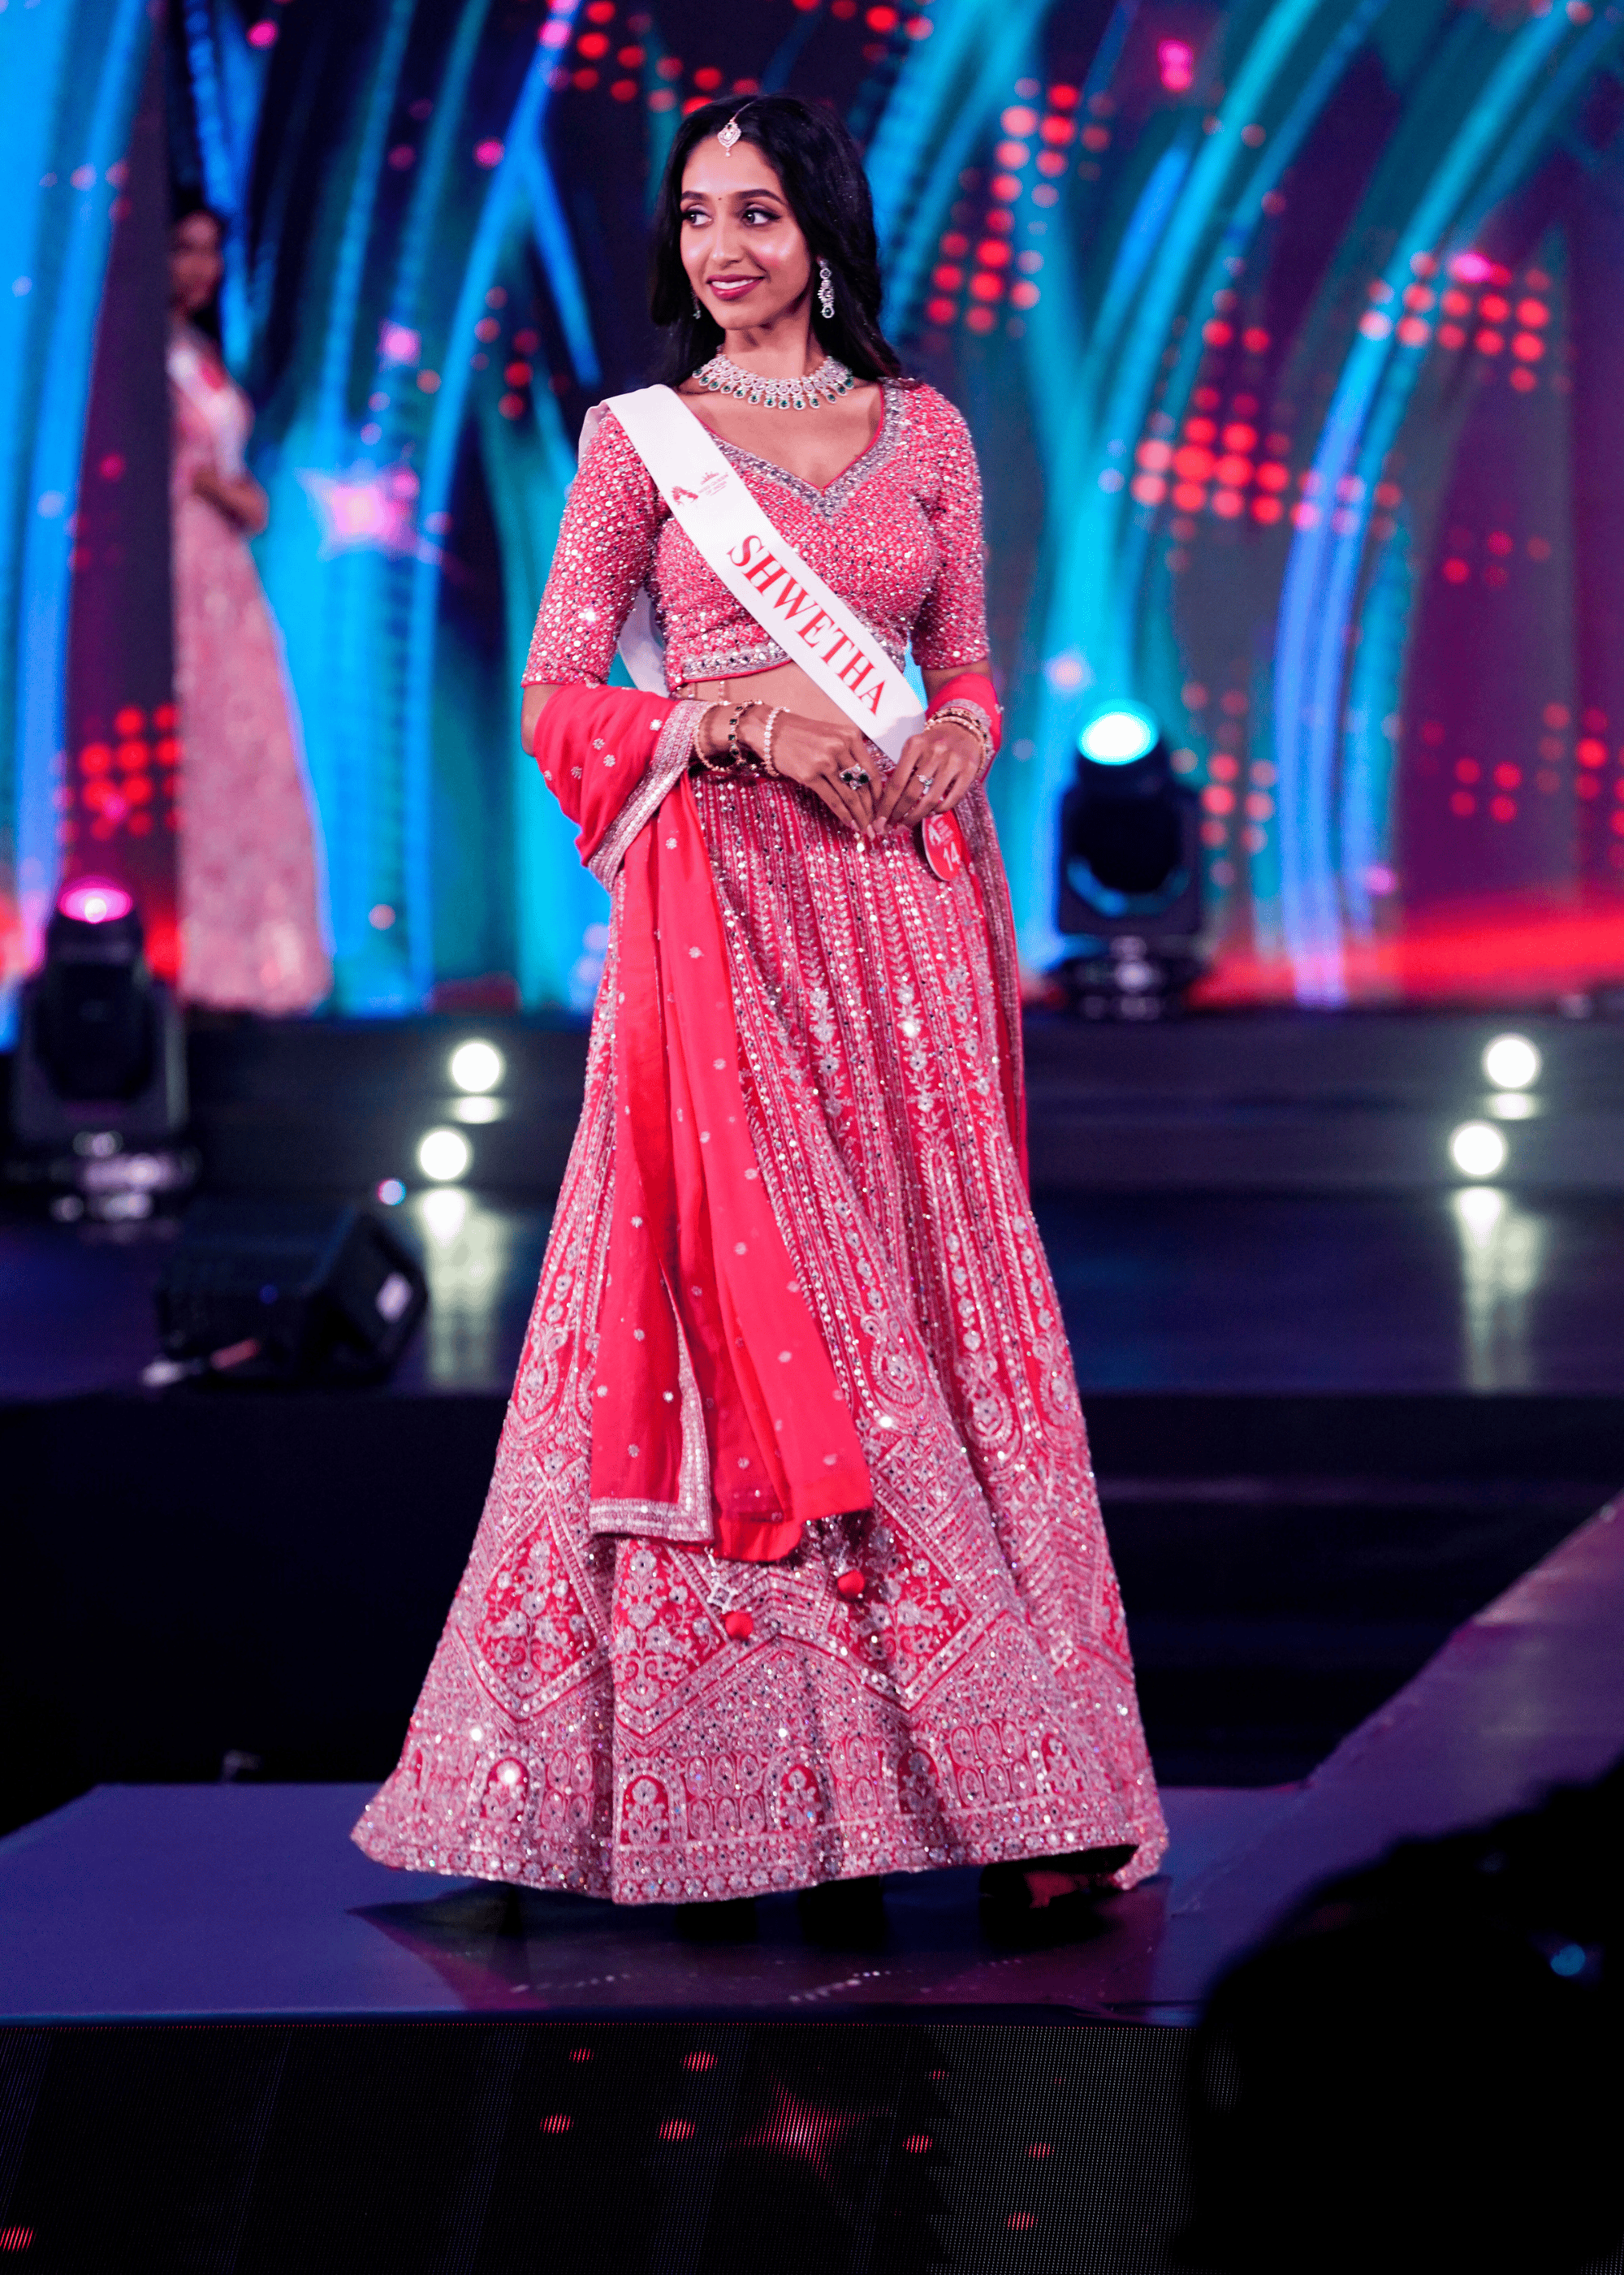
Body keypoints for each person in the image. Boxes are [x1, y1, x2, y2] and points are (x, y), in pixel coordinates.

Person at [354, 94, 1166, 1935]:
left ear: (822, 235)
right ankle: (773, 1789)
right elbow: (557, 692)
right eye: (697, 216)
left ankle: (1025, 1782)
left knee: (937, 1294)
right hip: (724, 921)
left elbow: (961, 655)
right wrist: (731, 720)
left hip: (907, 915)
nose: (721, 249)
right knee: (772, 1305)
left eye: (758, 215)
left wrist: (963, 730)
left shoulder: (926, 429)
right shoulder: (637, 443)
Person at [168, 199, 329, 1015]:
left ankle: (249, 965)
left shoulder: (194, 352)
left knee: (245, 752)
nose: (201, 268)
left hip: (223, 574)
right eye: (184, 248)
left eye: (210, 251)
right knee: (194, 753)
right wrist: (224, 492)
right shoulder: (135, 355)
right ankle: (190, 958)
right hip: (176, 565)